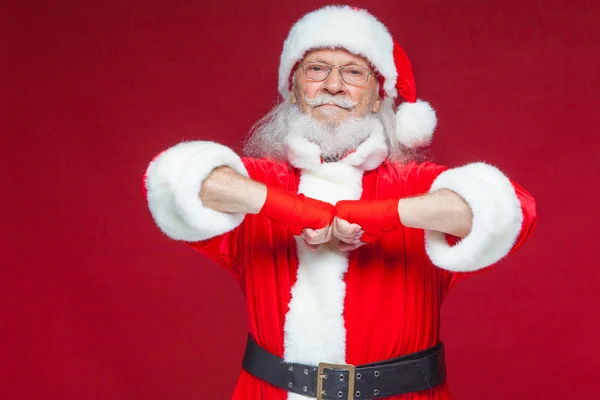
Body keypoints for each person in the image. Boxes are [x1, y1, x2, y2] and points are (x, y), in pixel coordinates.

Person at [143, 5, 536, 400]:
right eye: (316, 69)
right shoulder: (260, 179)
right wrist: (290, 209)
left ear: (378, 93)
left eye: (353, 72)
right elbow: (173, 178)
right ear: (294, 89)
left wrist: (385, 214)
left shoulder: (417, 184)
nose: (333, 85)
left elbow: (509, 209)